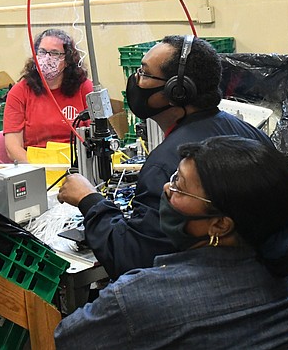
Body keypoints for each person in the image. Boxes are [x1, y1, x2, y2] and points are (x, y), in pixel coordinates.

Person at [54, 136, 288, 349]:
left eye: (179, 185)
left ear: (220, 224)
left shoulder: (139, 299)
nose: (166, 189)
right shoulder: (285, 274)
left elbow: (66, 340)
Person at [59, 35, 271, 279]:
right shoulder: (248, 133)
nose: (135, 81)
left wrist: (89, 201)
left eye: (145, 74)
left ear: (177, 91)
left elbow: (132, 261)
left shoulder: (168, 166)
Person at [3, 29, 93, 163]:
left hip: (78, 165)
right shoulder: (20, 92)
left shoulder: (85, 88)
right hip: (35, 168)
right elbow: (12, 148)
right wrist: (41, 173)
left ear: (67, 60)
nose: (47, 58)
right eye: (42, 52)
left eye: (55, 53)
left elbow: (98, 135)